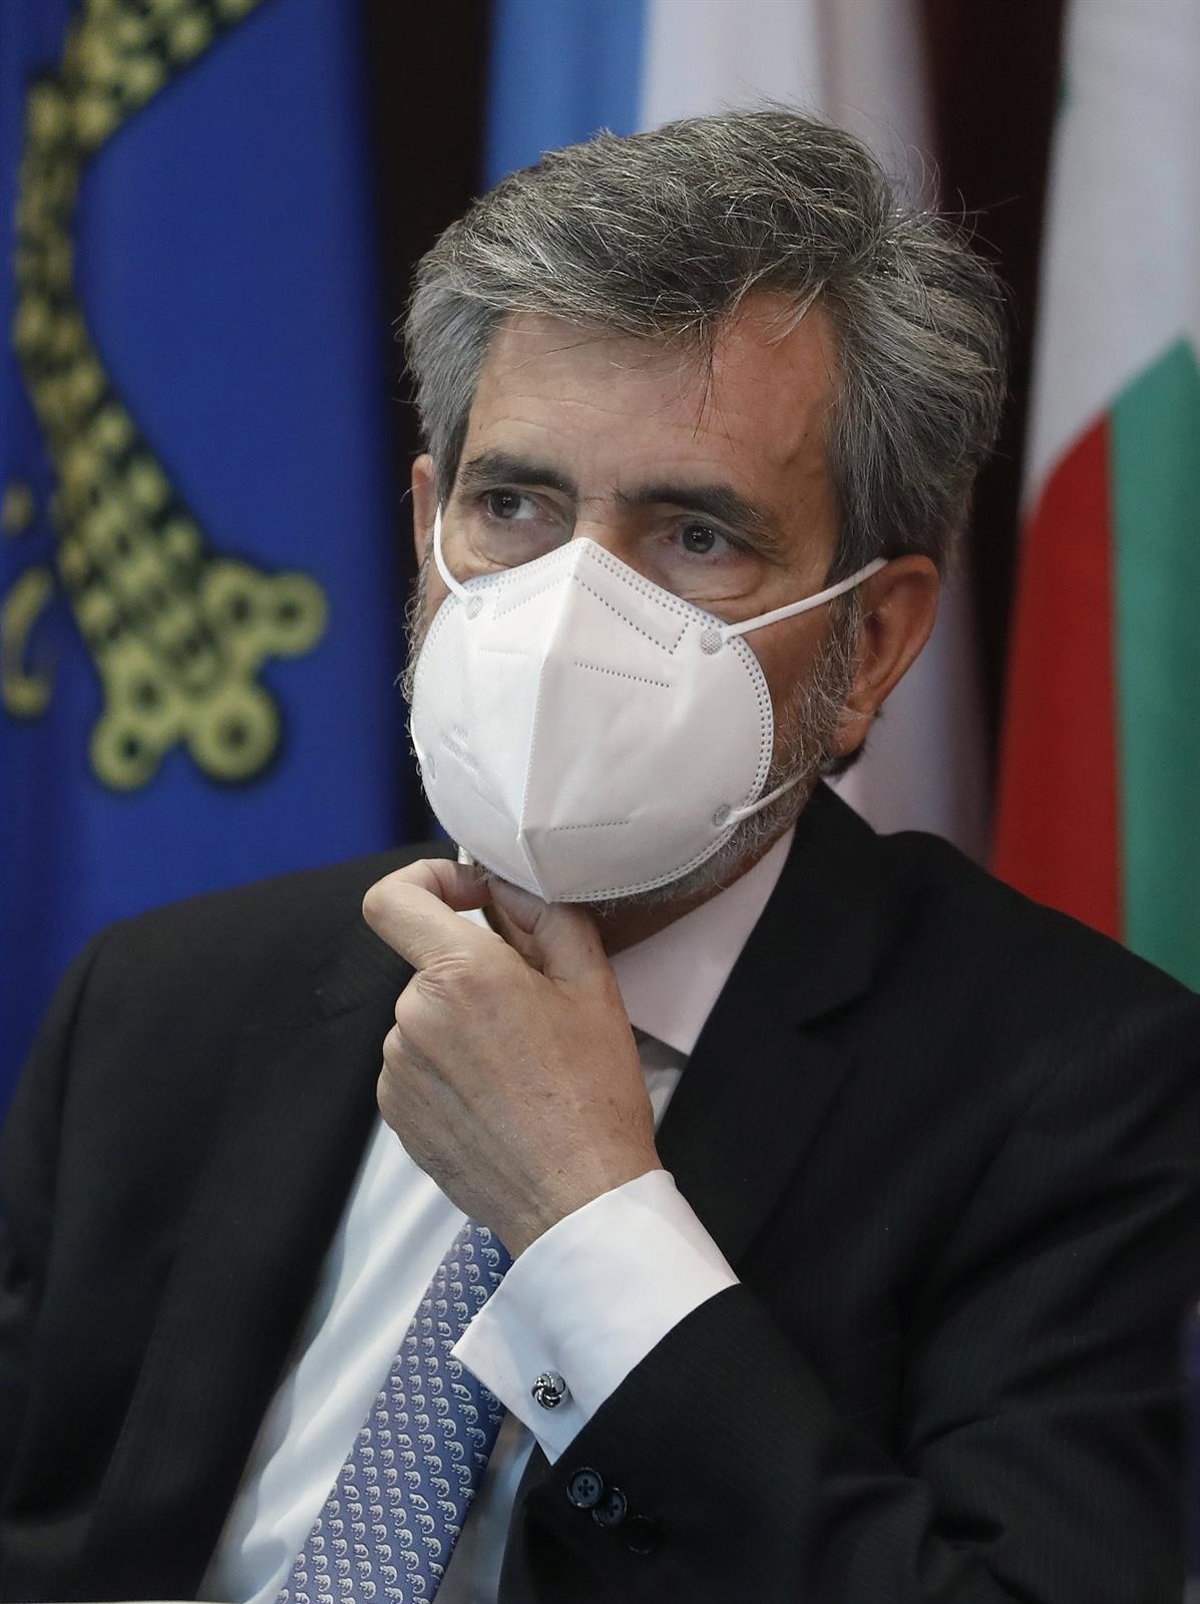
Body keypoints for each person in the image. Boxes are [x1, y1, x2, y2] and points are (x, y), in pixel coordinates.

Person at [1, 109, 1198, 1604]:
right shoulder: (162, 1001)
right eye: (514, 507)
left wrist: (588, 1217)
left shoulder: (1077, 1086)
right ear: (428, 531)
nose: (572, 610)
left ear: (877, 640)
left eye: (696, 535)